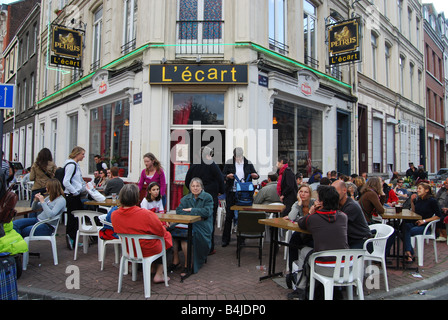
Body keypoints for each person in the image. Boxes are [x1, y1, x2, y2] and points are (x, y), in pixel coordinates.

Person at [288, 185, 348, 300]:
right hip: (346, 267)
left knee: (304, 251)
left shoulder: (314, 218)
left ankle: (300, 288)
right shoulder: (343, 217)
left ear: (322, 203)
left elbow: (301, 223)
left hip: (325, 267)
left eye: (318, 199)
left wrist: (311, 212)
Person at [111, 184, 172, 284]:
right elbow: (160, 232)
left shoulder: (114, 215)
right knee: (167, 237)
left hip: (128, 250)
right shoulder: (146, 214)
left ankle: (151, 268)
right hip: (146, 249)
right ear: (136, 197)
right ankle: (159, 274)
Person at [185, 146, 224, 254]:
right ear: (209, 154)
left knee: (196, 221)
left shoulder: (194, 166)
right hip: (210, 198)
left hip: (195, 198)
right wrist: (220, 191)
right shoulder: (212, 165)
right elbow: (220, 179)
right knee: (209, 222)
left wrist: (193, 191)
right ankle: (209, 248)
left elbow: (187, 180)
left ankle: (196, 245)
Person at [171, 178, 214, 276]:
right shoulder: (187, 198)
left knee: (185, 238)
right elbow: (179, 211)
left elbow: (207, 212)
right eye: (193, 186)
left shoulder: (207, 197)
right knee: (171, 232)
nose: (195, 188)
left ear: (201, 187)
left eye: (197, 186)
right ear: (190, 187)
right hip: (187, 224)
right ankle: (175, 260)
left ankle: (188, 265)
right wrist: (196, 212)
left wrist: (191, 210)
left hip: (202, 226)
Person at [221, 147, 259, 247]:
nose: (238, 159)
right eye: (236, 157)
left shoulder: (248, 163)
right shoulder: (229, 162)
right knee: (229, 216)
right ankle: (225, 239)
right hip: (231, 192)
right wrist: (227, 176)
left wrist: (255, 176)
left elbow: (256, 174)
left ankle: (242, 239)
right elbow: (222, 175)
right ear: (234, 156)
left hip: (244, 194)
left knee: (242, 216)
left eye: (240, 157)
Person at [404, 182, 442, 263]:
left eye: (420, 189)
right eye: (417, 188)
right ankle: (409, 252)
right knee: (403, 227)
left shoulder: (432, 201)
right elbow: (414, 213)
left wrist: (424, 221)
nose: (417, 190)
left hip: (426, 227)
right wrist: (412, 201)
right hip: (416, 223)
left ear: (427, 190)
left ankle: (408, 253)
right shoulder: (419, 200)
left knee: (406, 231)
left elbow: (439, 216)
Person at [284, 184, 315, 275]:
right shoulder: (297, 204)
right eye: (301, 191)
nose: (303, 194)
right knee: (293, 242)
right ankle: (291, 272)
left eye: (306, 192)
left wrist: (300, 218)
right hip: (301, 232)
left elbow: (312, 220)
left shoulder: (314, 203)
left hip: (312, 233)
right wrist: (299, 203)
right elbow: (291, 218)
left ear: (310, 194)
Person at [332, 180, 371, 249]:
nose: (333, 194)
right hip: (349, 240)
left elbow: (336, 223)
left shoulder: (351, 206)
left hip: (361, 242)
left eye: (335, 191)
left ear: (344, 190)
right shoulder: (338, 204)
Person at [64, 146, 87, 250]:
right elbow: (66, 181)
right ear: (77, 154)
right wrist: (74, 192)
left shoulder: (75, 165)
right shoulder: (71, 165)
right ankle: (71, 239)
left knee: (76, 218)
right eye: (82, 154)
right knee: (73, 218)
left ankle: (74, 238)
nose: (83, 156)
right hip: (73, 196)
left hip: (75, 194)